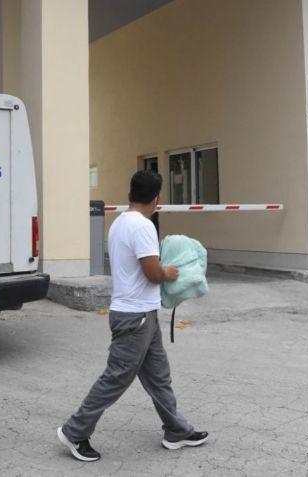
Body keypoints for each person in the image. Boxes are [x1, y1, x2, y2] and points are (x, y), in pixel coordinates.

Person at [57, 170, 208, 462]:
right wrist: (170, 272)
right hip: (134, 317)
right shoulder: (142, 227)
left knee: (159, 377)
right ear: (157, 199)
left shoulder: (120, 222)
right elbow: (152, 273)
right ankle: (74, 431)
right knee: (115, 378)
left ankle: (176, 430)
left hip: (141, 315)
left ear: (130, 194)